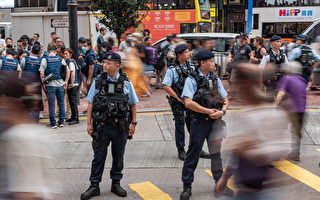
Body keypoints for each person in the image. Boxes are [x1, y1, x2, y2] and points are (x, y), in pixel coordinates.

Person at [214, 63, 292, 200]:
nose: (236, 90)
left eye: (240, 85)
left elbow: (282, 149)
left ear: (251, 84)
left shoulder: (272, 113)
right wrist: (225, 178)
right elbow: (236, 153)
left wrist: (250, 148)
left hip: (264, 189)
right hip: (244, 187)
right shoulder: (245, 113)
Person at [81, 52, 138, 200]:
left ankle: (116, 183)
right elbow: (91, 103)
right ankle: (94, 185)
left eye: (108, 63)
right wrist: (88, 124)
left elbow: (133, 103)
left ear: (117, 66)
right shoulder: (98, 81)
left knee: (118, 155)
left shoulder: (126, 82)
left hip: (120, 127)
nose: (104, 65)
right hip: (102, 126)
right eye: (104, 63)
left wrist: (133, 123)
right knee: (98, 156)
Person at [180, 49, 229, 200]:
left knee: (216, 154)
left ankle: (219, 184)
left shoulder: (215, 79)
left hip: (215, 121)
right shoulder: (191, 79)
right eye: (211, 62)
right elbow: (188, 103)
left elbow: (225, 99)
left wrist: (222, 112)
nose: (214, 64)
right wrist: (207, 111)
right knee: (193, 153)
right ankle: (187, 186)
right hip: (199, 122)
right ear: (203, 63)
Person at [162, 44, 209, 161]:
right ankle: (181, 150)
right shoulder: (172, 69)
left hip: (191, 101)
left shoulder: (192, 67)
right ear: (179, 55)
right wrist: (177, 98)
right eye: (186, 52)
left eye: (189, 52)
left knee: (194, 124)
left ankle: (197, 148)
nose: (189, 54)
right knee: (180, 125)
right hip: (178, 102)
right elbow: (166, 85)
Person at [274, 61, 307, 161]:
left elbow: (281, 94)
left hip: (289, 110)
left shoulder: (287, 78)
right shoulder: (302, 81)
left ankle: (275, 152)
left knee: (278, 129)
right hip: (301, 110)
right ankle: (295, 153)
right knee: (296, 133)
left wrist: (274, 107)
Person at [39, 46, 68, 129]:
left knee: (51, 104)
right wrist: (65, 81)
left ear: (48, 52)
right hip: (60, 84)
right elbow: (66, 71)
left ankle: (53, 123)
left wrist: (43, 83)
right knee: (61, 103)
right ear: (55, 52)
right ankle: (61, 121)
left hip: (50, 85)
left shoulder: (45, 60)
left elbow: (41, 73)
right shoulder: (61, 59)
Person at [20, 44, 43, 122]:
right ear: (39, 52)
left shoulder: (25, 59)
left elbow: (22, 68)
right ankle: (35, 120)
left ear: (31, 50)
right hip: (36, 84)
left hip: (26, 83)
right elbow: (41, 72)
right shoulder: (40, 60)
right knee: (35, 103)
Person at [64, 48, 80, 125]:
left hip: (73, 85)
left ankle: (76, 118)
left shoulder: (71, 62)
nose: (65, 55)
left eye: (66, 53)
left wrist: (71, 83)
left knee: (73, 102)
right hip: (72, 84)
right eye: (64, 53)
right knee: (71, 101)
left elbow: (72, 73)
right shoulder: (69, 62)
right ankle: (73, 117)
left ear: (70, 54)